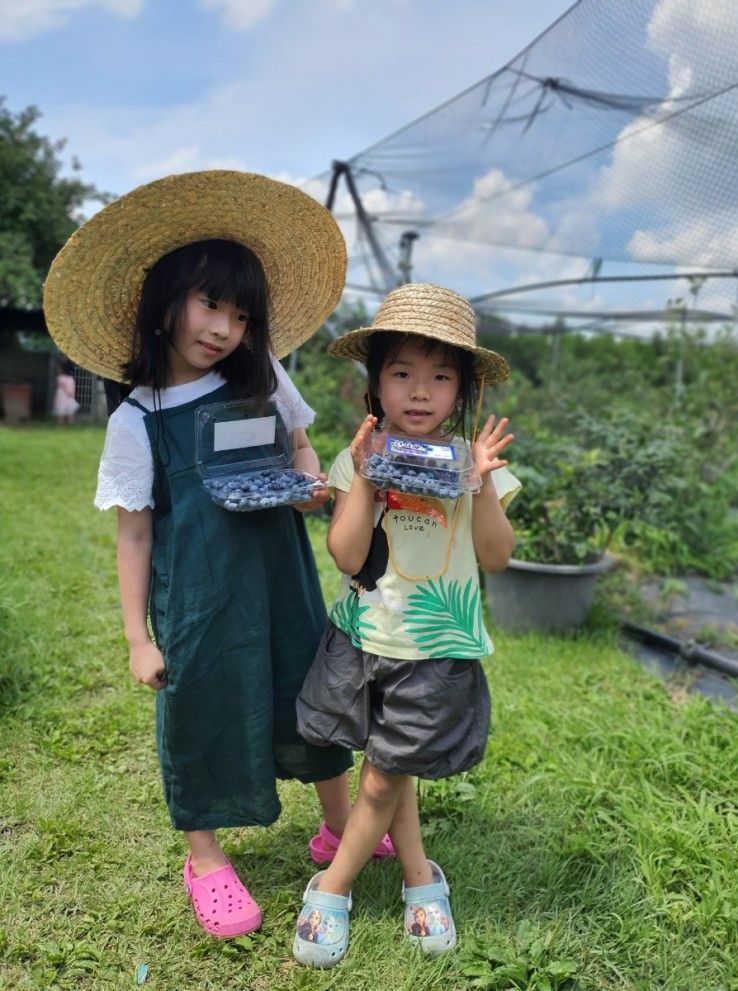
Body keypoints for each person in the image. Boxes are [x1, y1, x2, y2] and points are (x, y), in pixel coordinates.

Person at [42, 169, 372, 941]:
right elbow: (133, 532)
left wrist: (305, 482)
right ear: (166, 303)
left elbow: (298, 443)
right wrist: (136, 636)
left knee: (309, 686)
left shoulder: (262, 377)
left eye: (241, 314)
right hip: (199, 594)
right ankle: (205, 856)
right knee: (204, 705)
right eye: (210, 304)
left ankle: (338, 821)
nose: (224, 327)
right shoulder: (138, 419)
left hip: (280, 578)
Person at [293, 282, 521, 967]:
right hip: (362, 641)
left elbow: (495, 557)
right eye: (401, 374)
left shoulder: (471, 468)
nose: (419, 392)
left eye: (440, 377)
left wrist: (479, 485)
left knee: (384, 775)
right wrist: (363, 476)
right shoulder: (355, 460)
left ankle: (331, 890)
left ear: (462, 392)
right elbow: (346, 553)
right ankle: (421, 877)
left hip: (434, 651)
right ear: (375, 384)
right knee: (393, 765)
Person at [52, 357, 79, 424]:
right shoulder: (71, 378)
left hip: (62, 397)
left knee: (61, 413)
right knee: (70, 413)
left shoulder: (60, 378)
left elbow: (63, 387)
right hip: (70, 397)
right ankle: (71, 424)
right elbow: (72, 388)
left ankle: (60, 424)